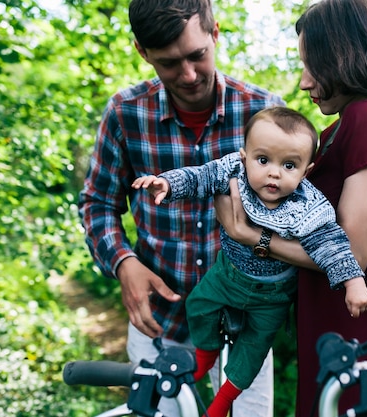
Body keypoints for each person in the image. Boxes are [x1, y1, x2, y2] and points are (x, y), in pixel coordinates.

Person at [77, 0, 285, 415]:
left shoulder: (263, 112)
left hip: (244, 323)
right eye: (169, 63)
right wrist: (123, 263)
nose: (188, 75)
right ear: (143, 52)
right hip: (162, 324)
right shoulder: (125, 113)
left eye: (197, 56)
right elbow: (98, 203)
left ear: (215, 34)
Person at [214, 0, 367, 415]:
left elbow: (352, 252)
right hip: (332, 328)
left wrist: (251, 237)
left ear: (345, 58)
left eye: (314, 65)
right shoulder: (339, 129)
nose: (306, 82)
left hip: (362, 331)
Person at [132, 106, 367, 417]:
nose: (274, 173)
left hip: (272, 296)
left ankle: (221, 404)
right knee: (199, 306)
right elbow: (201, 176)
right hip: (228, 274)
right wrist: (168, 184)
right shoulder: (233, 171)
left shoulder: (308, 206)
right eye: (263, 160)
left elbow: (333, 245)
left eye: (289, 165)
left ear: (306, 171)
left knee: (253, 351)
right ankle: (206, 354)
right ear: (244, 157)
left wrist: (354, 284)